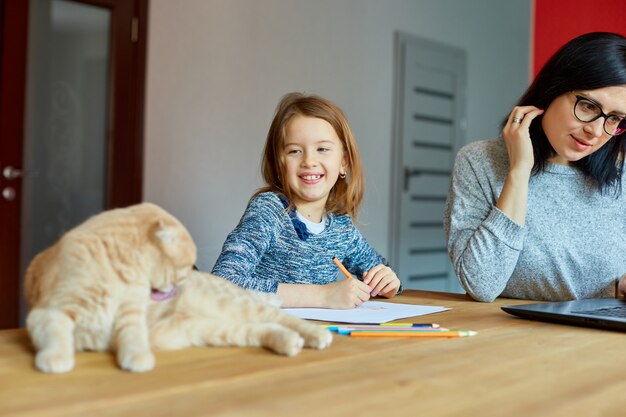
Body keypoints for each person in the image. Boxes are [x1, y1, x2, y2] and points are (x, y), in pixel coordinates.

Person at [444, 32, 626, 303]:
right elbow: (481, 284)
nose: (595, 131)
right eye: (588, 106)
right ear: (552, 89)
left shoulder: (621, 175)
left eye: (615, 118)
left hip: (601, 338)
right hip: (515, 338)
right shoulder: (479, 161)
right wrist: (519, 171)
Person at [212, 92, 401, 308]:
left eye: (322, 149)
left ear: (344, 163)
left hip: (323, 337)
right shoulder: (269, 212)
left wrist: (387, 281)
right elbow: (222, 285)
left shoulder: (341, 227)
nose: (309, 161)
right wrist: (321, 296)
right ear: (278, 164)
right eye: (294, 151)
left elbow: (380, 271)